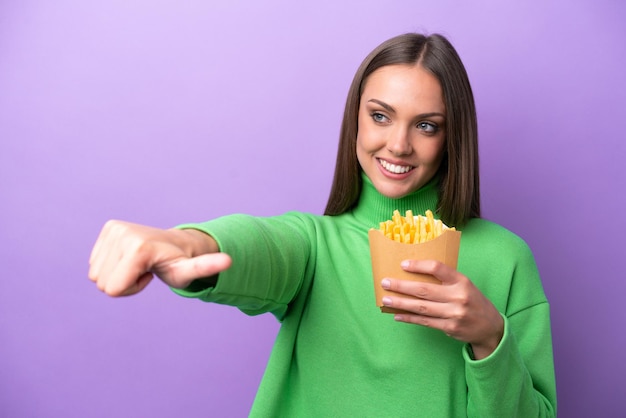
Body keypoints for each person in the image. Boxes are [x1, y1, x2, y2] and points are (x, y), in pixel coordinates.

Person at [89, 33, 557, 417]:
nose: (398, 144)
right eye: (380, 116)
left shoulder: (505, 258)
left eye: (427, 126)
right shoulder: (313, 246)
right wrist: (184, 242)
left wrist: (490, 338)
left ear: (453, 136)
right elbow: (262, 245)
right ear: (355, 120)